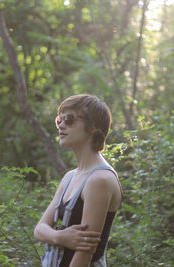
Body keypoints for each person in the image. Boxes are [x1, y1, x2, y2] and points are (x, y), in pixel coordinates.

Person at [34, 94, 122, 267]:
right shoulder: (69, 177)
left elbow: (84, 255)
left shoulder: (99, 179)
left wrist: (53, 236)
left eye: (70, 119)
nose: (62, 125)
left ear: (94, 127)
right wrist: (61, 237)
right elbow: (39, 229)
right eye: (59, 120)